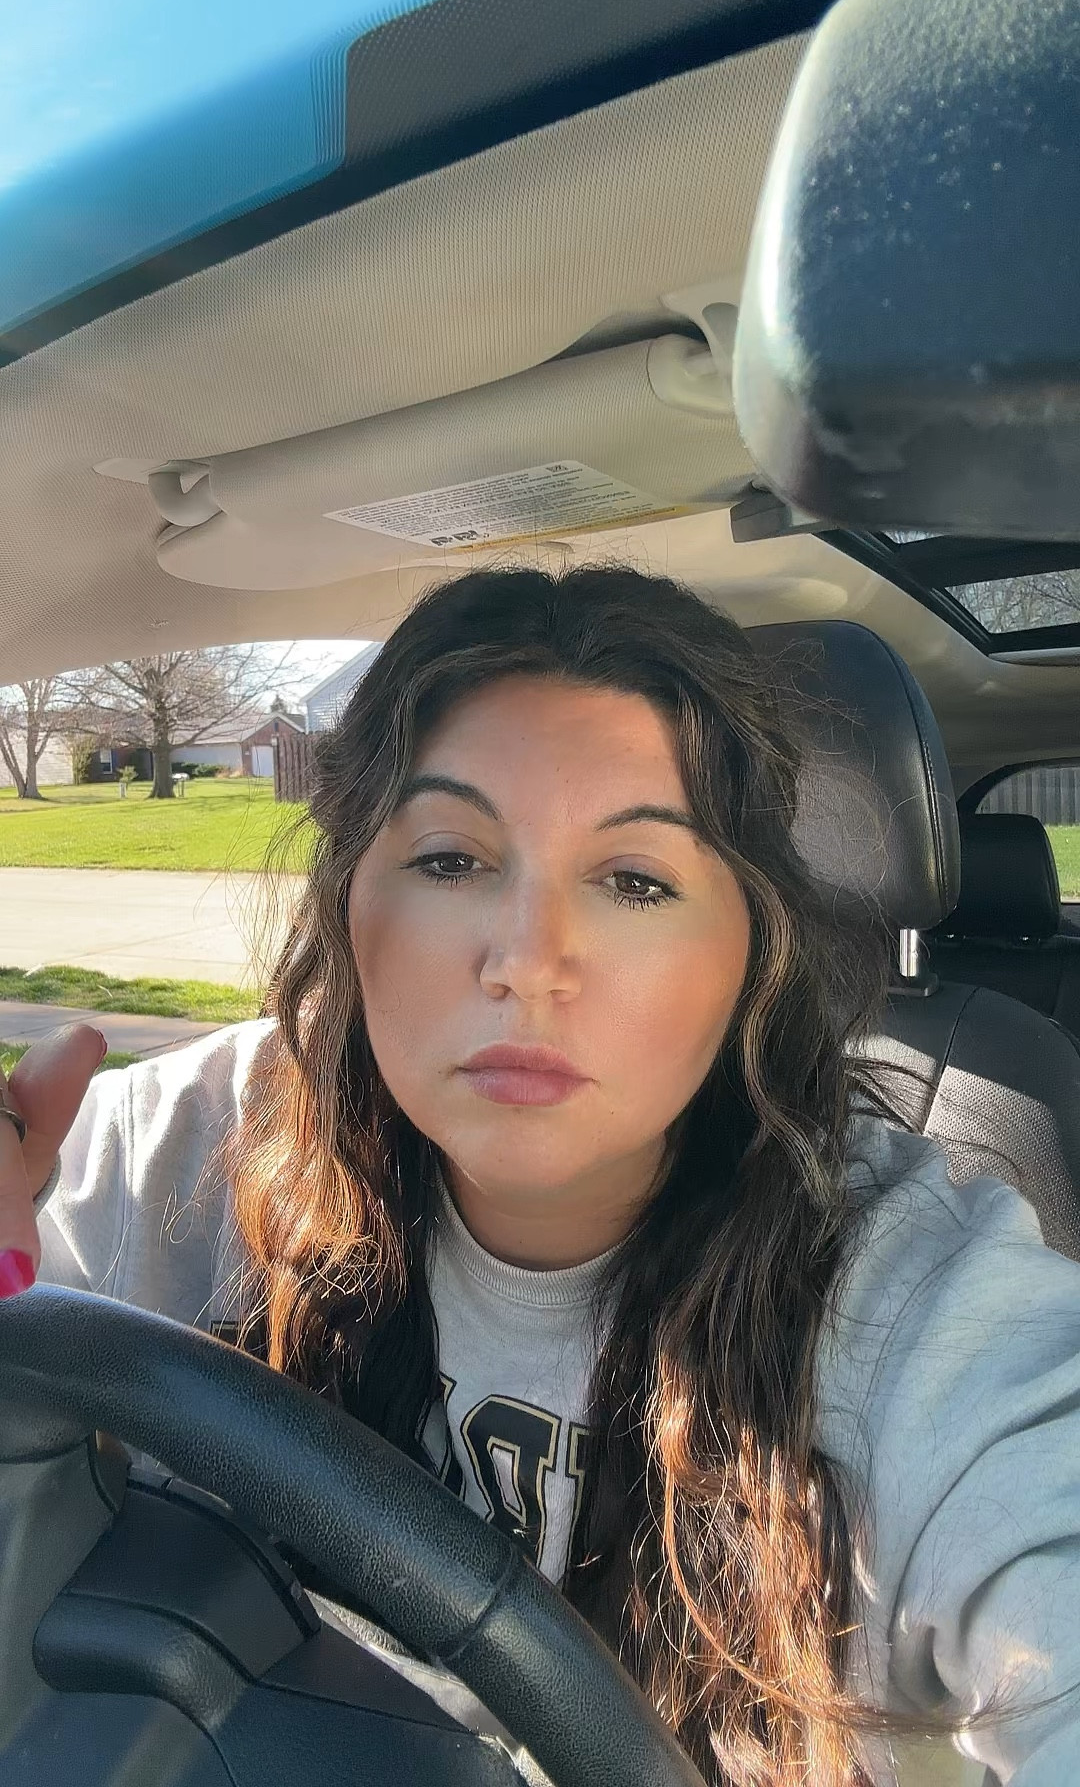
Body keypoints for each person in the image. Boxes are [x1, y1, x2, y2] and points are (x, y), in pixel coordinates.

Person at [2, 565, 1079, 1787]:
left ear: (750, 954)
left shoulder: (913, 1308)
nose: (527, 960)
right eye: (450, 859)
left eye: (636, 881)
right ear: (348, 905)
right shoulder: (197, 1141)